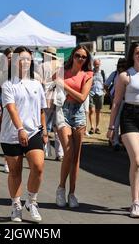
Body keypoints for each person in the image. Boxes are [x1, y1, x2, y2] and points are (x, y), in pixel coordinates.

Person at [107, 42, 139, 218]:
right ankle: (134, 201)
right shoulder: (125, 76)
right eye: (137, 53)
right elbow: (116, 102)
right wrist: (112, 126)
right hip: (130, 116)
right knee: (136, 160)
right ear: (132, 56)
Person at [0, 46, 47, 222]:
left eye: (28, 59)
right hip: (12, 134)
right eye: (21, 59)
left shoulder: (36, 84)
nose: (25, 62)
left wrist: (45, 130)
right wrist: (20, 129)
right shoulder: (7, 85)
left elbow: (41, 110)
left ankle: (31, 201)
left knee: (38, 166)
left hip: (34, 131)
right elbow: (11, 109)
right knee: (15, 172)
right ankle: (16, 206)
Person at [55, 45, 93, 208]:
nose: (80, 59)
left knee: (76, 156)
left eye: (84, 57)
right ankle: (61, 188)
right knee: (68, 152)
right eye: (78, 55)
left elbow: (82, 97)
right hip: (63, 110)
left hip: (78, 113)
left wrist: (64, 85)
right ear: (73, 56)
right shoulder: (62, 71)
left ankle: (72, 193)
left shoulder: (88, 74)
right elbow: (50, 84)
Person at [36, 46, 64, 161]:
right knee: (58, 126)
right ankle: (60, 153)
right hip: (58, 97)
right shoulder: (60, 66)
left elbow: (38, 83)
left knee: (44, 125)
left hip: (45, 97)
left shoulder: (41, 66)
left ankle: (43, 150)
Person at [104, 58, 127, 151]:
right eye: (120, 65)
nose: (121, 67)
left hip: (127, 100)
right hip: (117, 100)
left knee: (124, 122)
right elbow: (106, 85)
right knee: (116, 121)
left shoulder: (128, 74)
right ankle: (115, 141)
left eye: (123, 65)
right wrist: (110, 95)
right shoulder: (114, 74)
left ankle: (123, 141)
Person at [88, 59, 105, 135]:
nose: (96, 65)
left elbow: (105, 82)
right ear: (93, 64)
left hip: (100, 93)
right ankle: (92, 127)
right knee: (92, 110)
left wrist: (104, 91)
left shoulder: (102, 72)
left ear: (100, 64)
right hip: (91, 93)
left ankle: (97, 127)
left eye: (97, 64)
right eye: (95, 64)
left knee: (98, 111)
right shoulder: (91, 72)